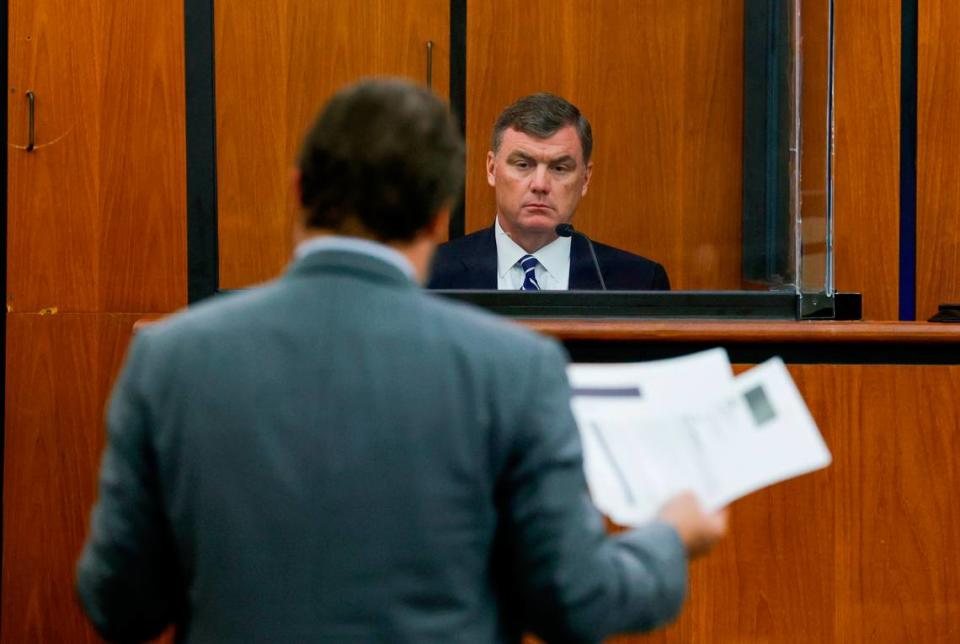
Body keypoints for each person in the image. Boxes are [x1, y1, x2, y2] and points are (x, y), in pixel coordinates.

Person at [76, 79, 724, 643]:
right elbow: (574, 601)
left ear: (298, 189)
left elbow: (120, 604)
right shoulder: (514, 369)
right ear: (440, 209)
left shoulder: (169, 358)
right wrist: (671, 536)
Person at [428, 92, 670, 291]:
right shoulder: (430, 274)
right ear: (492, 169)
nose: (540, 184)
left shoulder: (638, 282)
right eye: (523, 165)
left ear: (585, 178)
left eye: (559, 168)